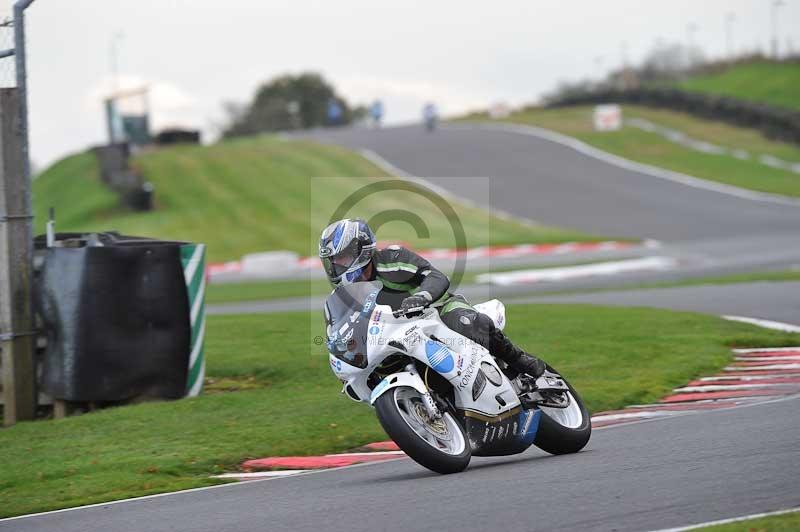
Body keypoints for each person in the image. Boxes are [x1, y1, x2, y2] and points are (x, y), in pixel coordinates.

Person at [318, 218, 546, 377]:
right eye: (333, 261)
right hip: (394, 334)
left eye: (343, 257)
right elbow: (338, 330)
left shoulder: (393, 258)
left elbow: (435, 276)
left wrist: (422, 297)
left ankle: (520, 360)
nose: (337, 265)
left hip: (436, 310)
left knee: (468, 322)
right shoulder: (341, 297)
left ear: (362, 250)